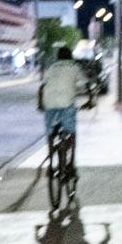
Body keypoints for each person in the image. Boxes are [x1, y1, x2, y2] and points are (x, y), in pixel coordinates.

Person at [37, 46, 84, 179]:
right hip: (67, 104)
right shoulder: (74, 67)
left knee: (51, 134)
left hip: (49, 104)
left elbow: (41, 88)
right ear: (70, 56)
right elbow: (86, 84)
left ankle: (51, 166)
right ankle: (71, 165)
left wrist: (40, 104)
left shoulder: (51, 68)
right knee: (72, 132)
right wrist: (90, 100)